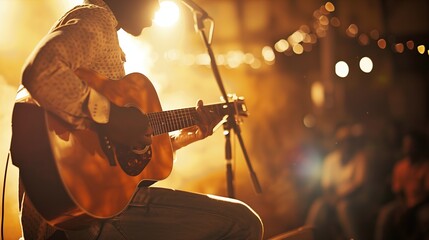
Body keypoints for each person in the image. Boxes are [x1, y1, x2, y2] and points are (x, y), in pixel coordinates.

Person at [15, 0, 264, 239]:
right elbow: (42, 71)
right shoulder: (96, 18)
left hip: (80, 215)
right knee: (243, 224)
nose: (157, 7)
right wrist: (113, 117)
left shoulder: (102, 32)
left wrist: (176, 140)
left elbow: (109, 152)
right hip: (90, 215)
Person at [305, 122, 368, 240]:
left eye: (350, 141)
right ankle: (308, 237)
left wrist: (339, 197)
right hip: (333, 199)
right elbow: (326, 186)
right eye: (344, 141)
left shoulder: (359, 158)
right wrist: (333, 199)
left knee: (344, 208)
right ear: (339, 143)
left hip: (353, 199)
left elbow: (359, 185)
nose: (347, 145)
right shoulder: (330, 160)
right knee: (318, 206)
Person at [375, 130, 429, 240]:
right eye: (406, 145)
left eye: (412, 145)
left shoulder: (425, 166)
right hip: (405, 203)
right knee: (385, 213)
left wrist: (412, 207)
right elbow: (398, 191)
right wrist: (403, 205)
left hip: (422, 204)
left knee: (426, 217)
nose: (408, 148)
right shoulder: (400, 167)